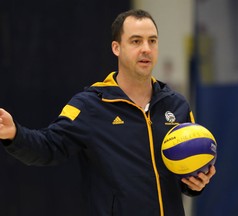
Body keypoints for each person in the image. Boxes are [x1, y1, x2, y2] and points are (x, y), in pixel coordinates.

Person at [0, 9, 216, 216]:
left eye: (152, 41)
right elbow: (48, 147)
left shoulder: (175, 104)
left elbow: (183, 176)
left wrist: (196, 183)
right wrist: (14, 134)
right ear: (116, 48)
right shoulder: (90, 106)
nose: (146, 49)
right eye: (136, 41)